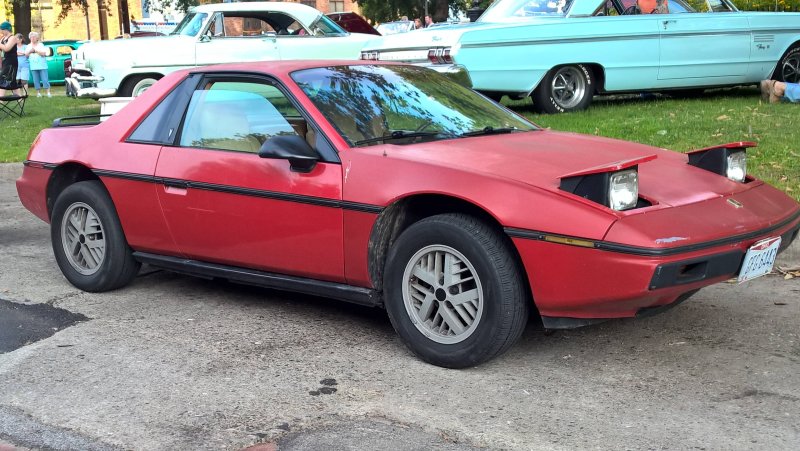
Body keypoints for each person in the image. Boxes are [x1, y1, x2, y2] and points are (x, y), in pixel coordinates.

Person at [25, 31, 51, 98]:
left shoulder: (41, 45)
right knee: (36, 80)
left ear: (37, 38)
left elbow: (44, 54)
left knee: (45, 79)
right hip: (33, 66)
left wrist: (35, 51)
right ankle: (38, 93)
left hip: (42, 65)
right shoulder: (28, 46)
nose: (32, 38)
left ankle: (48, 92)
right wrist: (30, 51)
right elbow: (26, 55)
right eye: (31, 37)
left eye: (34, 37)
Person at [0, 21, 21, 97]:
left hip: (11, 62)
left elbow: (6, 48)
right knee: (12, 81)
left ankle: (1, 99)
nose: (0, 31)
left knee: (3, 78)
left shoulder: (13, 38)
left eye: (1, 29)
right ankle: (20, 98)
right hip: (5, 61)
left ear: (5, 29)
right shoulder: (3, 38)